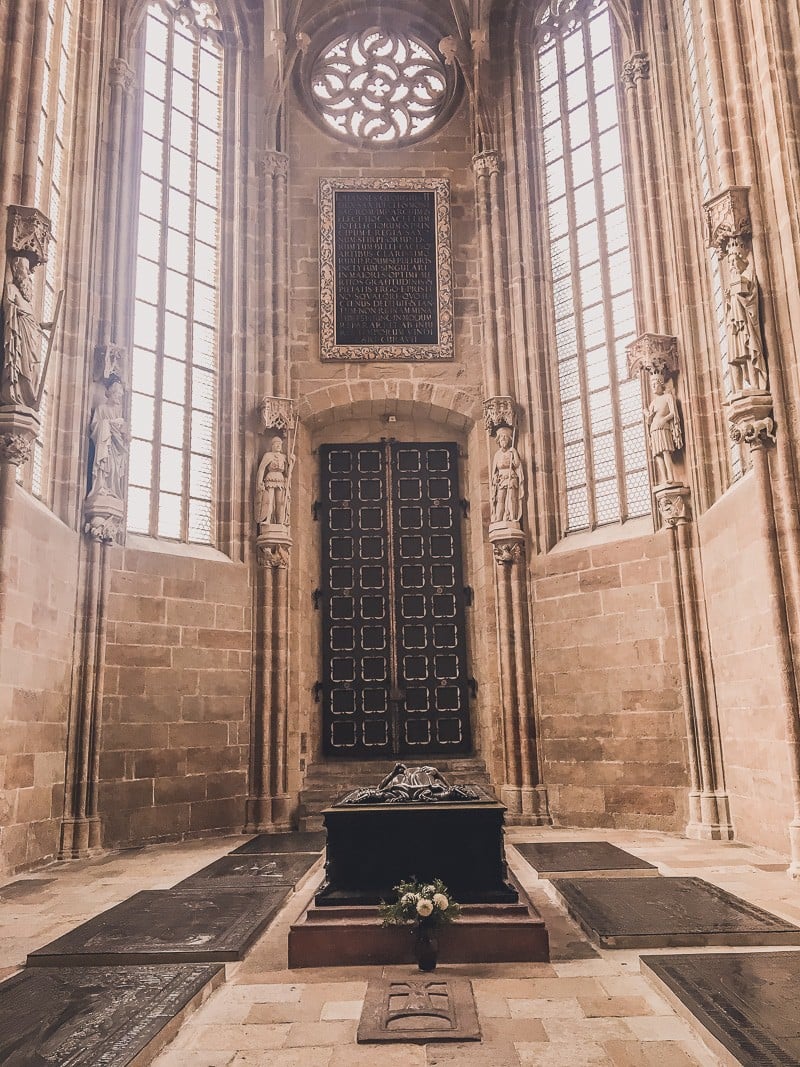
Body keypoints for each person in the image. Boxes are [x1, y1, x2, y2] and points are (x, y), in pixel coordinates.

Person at [1, 255, 52, 408]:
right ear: (17, 271)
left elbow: (33, 321)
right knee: (19, 364)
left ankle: (27, 398)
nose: (28, 274)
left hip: (30, 335)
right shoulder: (11, 289)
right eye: (25, 269)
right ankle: (14, 393)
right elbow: (7, 306)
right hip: (18, 332)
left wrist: (43, 325)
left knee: (31, 367)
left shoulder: (27, 300)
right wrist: (17, 312)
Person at [725, 238, 768, 393]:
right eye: (729, 262)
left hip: (746, 323)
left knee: (748, 351)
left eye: (733, 261)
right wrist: (729, 298)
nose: (731, 265)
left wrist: (738, 291)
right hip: (734, 325)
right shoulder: (734, 278)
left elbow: (751, 298)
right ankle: (737, 390)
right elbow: (730, 304)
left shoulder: (749, 274)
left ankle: (756, 386)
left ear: (741, 259)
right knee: (734, 358)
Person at [87, 379, 129, 502]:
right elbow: (95, 426)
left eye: (120, 396)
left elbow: (123, 433)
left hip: (116, 447)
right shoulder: (101, 408)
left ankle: (112, 490)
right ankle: (101, 487)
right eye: (117, 395)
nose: (118, 398)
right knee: (105, 465)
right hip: (105, 444)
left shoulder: (118, 412)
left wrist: (124, 434)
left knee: (114, 470)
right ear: (111, 394)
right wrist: (109, 423)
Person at [644, 373, 682, 484]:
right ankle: (665, 479)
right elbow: (649, 421)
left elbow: (673, 413)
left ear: (661, 385)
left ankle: (671, 477)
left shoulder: (668, 397)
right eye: (652, 385)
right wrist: (649, 418)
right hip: (654, 429)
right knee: (657, 454)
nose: (653, 387)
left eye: (655, 384)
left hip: (663, 427)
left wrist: (664, 419)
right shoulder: (652, 403)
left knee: (665, 452)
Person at [491, 426, 524, 523]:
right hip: (501, 479)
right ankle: (499, 518)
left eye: (505, 438)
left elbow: (517, 465)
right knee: (500, 498)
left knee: (511, 498)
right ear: (499, 441)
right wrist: (495, 479)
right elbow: (495, 471)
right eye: (501, 438)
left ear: (509, 440)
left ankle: (512, 517)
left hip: (511, 477)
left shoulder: (512, 452)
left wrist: (514, 453)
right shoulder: (497, 454)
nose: (503, 440)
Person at [255, 435, 290, 527]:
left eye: (280, 444)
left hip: (280, 479)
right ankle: (268, 519)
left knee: (280, 501)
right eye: (276, 444)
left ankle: (280, 521)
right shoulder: (268, 455)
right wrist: (259, 483)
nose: (278, 446)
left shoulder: (284, 457)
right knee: (269, 500)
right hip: (270, 478)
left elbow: (287, 472)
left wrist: (292, 461)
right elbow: (261, 468)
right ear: (272, 445)